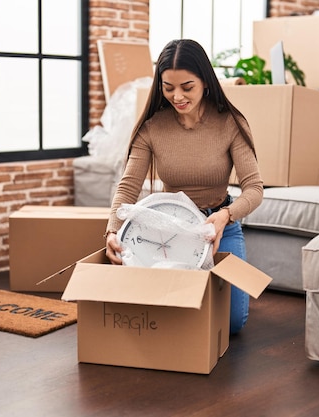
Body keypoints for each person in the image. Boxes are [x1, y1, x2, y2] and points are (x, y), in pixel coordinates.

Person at [104, 39, 264, 335]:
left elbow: (254, 188)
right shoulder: (152, 128)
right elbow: (127, 189)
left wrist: (225, 216)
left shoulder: (230, 122)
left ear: (205, 81)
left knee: (231, 324)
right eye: (168, 87)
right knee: (171, 315)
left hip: (219, 227)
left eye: (187, 87)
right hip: (168, 231)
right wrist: (112, 229)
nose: (177, 96)